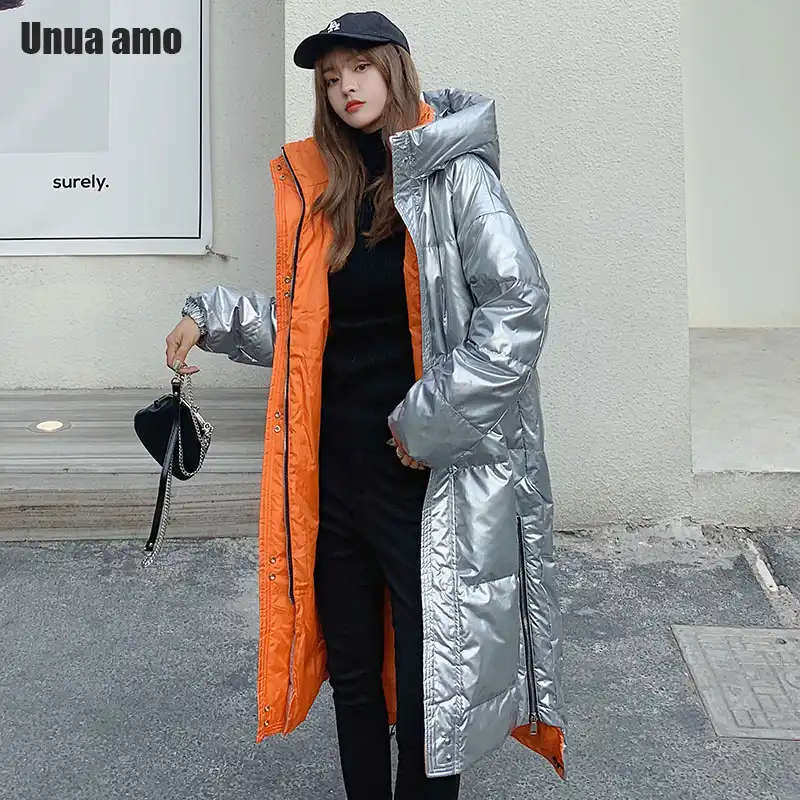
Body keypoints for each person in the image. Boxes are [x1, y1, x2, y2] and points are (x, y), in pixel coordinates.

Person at [165, 11, 566, 799]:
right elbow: (309, 324)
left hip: (420, 478)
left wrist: (430, 423)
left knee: (428, 685)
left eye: (359, 67)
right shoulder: (330, 189)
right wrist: (211, 317)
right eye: (329, 77)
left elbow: (520, 305)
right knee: (352, 674)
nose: (344, 86)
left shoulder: (456, 178)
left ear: (394, 68)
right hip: (334, 473)